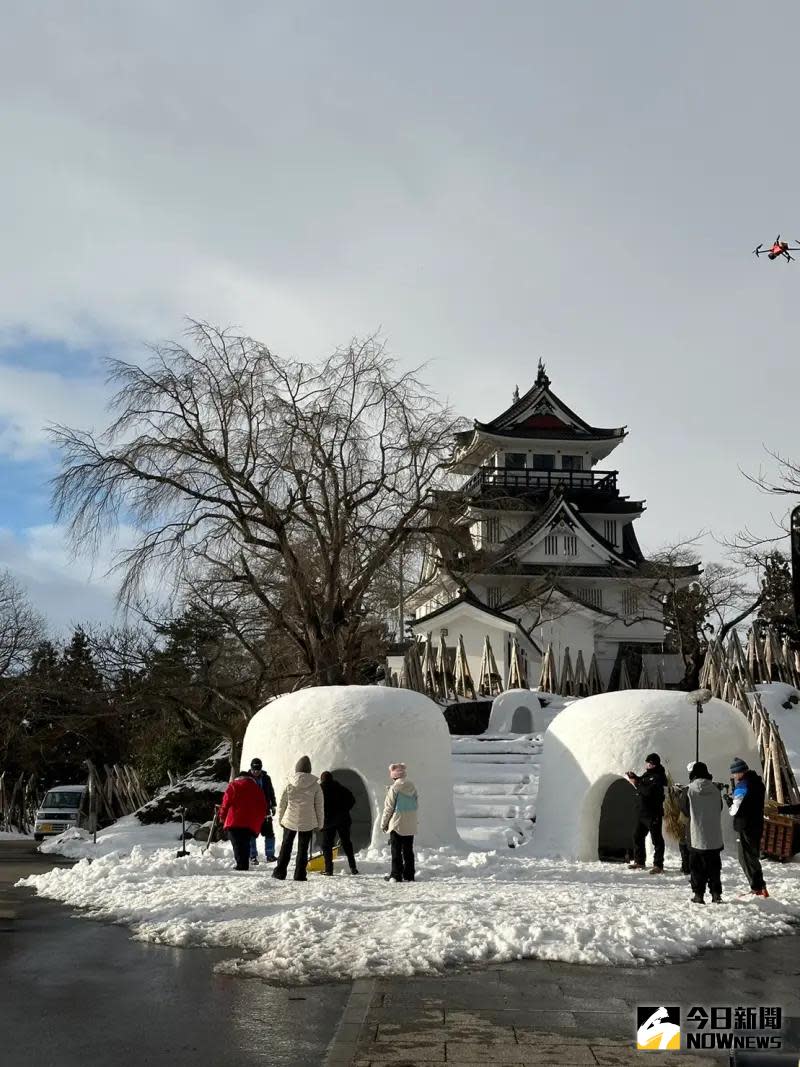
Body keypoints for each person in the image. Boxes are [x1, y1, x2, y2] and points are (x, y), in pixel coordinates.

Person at [675, 761, 724, 904]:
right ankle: (716, 894)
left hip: (696, 834)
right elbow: (719, 807)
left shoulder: (688, 790)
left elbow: (684, 810)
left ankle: (699, 895)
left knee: (696, 866)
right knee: (714, 866)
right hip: (714, 835)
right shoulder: (715, 789)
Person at [272, 756, 324, 882]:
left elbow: (282, 803)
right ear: (309, 769)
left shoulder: (289, 784)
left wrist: (280, 819)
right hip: (308, 821)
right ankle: (300, 874)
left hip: (290, 820)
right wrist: (319, 824)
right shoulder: (316, 786)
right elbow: (319, 807)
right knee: (303, 848)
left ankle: (280, 872)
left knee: (286, 846)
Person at [726, 757, 768, 898]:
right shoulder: (757, 783)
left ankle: (757, 888)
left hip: (745, 826)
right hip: (757, 824)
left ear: (739, 772)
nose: (733, 776)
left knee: (745, 857)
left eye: (734, 773)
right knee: (753, 856)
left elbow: (735, 810)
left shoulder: (743, 785)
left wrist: (728, 802)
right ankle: (760, 886)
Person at [218, 769, 268, 871]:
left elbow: (225, 803)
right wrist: (258, 823)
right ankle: (244, 864)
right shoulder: (257, 788)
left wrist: (222, 817)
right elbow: (263, 807)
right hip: (249, 823)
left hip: (234, 821)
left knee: (237, 844)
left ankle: (241, 865)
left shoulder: (233, 785)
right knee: (245, 843)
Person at [626, 753, 668, 874]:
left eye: (650, 763)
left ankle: (658, 864)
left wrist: (637, 783)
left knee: (657, 840)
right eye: (647, 762)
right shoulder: (647, 775)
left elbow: (649, 791)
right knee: (637, 836)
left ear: (655, 764)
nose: (648, 765)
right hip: (641, 813)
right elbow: (643, 784)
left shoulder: (659, 777)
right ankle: (639, 861)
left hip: (653, 813)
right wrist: (636, 778)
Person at [381, 762, 418, 883]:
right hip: (410, 823)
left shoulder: (394, 788)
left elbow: (389, 808)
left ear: (394, 776)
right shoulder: (412, 786)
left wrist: (384, 823)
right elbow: (416, 803)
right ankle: (409, 875)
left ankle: (396, 875)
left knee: (396, 850)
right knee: (408, 850)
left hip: (397, 824)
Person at [319, 771, 359, 876]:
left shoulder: (320, 790)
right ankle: (353, 867)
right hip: (343, 820)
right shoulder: (341, 788)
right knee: (346, 843)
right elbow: (352, 800)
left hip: (328, 821)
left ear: (322, 779)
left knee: (327, 845)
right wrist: (345, 809)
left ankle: (328, 869)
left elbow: (315, 805)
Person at [249, 758, 277, 864]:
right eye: (254, 769)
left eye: (258, 769)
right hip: (252, 811)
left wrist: (273, 805)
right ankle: (252, 856)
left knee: (269, 833)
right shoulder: (247, 778)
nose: (256, 771)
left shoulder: (266, 778)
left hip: (265, 810)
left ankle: (270, 855)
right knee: (251, 834)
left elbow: (271, 791)